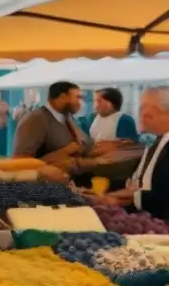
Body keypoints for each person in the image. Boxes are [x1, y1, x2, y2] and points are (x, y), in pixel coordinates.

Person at [100, 87, 169, 220]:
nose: (142, 114)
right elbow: (135, 182)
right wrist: (105, 188)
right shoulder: (155, 142)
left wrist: (117, 197)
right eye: (141, 108)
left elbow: (163, 196)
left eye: (147, 108)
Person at [13, 81, 92, 162]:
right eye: (77, 97)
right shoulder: (35, 120)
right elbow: (21, 160)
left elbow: (84, 144)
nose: (80, 103)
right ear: (63, 97)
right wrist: (63, 152)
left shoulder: (67, 118)